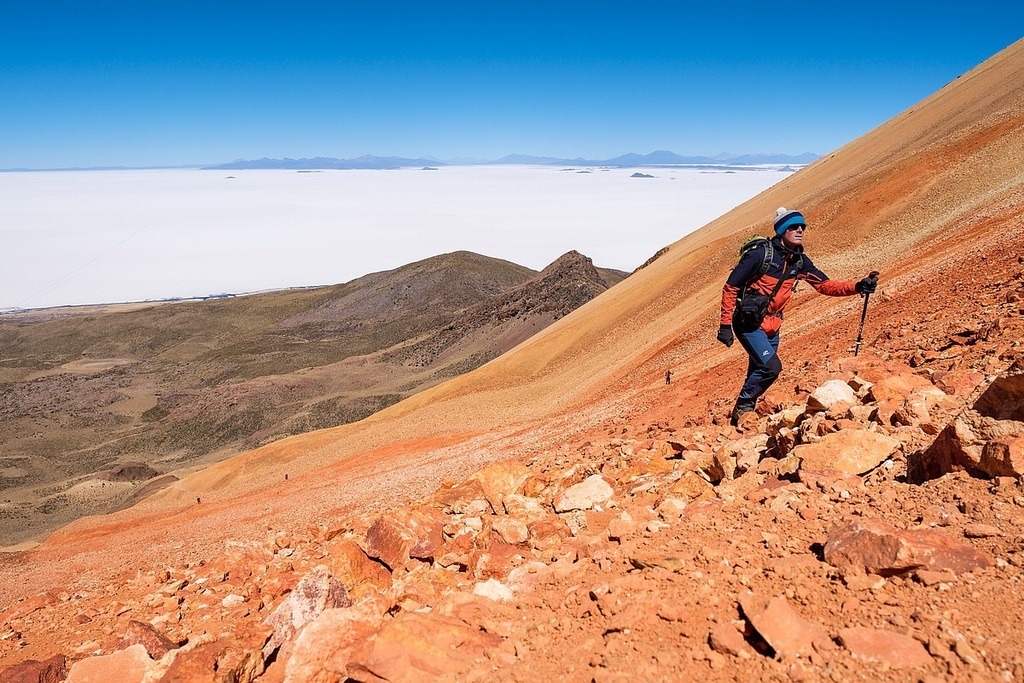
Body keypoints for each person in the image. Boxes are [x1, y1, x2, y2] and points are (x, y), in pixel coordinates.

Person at [717, 207, 878, 427]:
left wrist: (857, 286)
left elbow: (824, 285)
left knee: (758, 369)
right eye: (793, 227)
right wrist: (725, 325)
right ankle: (743, 406)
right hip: (749, 323)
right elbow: (731, 287)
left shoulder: (799, 261)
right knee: (771, 368)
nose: (800, 230)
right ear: (782, 230)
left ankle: (741, 421)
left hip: (774, 324)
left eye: (802, 226)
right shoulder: (760, 256)